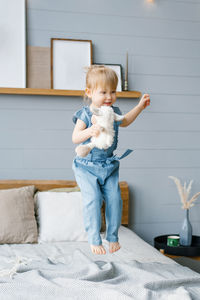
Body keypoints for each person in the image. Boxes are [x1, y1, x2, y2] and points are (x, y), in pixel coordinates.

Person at [72, 65, 150, 255]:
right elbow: (75, 138)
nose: (109, 97)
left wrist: (139, 107)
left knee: (115, 199)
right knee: (93, 199)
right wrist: (89, 131)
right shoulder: (85, 114)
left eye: (113, 92)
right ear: (89, 93)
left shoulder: (113, 111)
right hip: (86, 166)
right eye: (103, 92)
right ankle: (93, 238)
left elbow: (126, 120)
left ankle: (113, 237)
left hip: (109, 166)